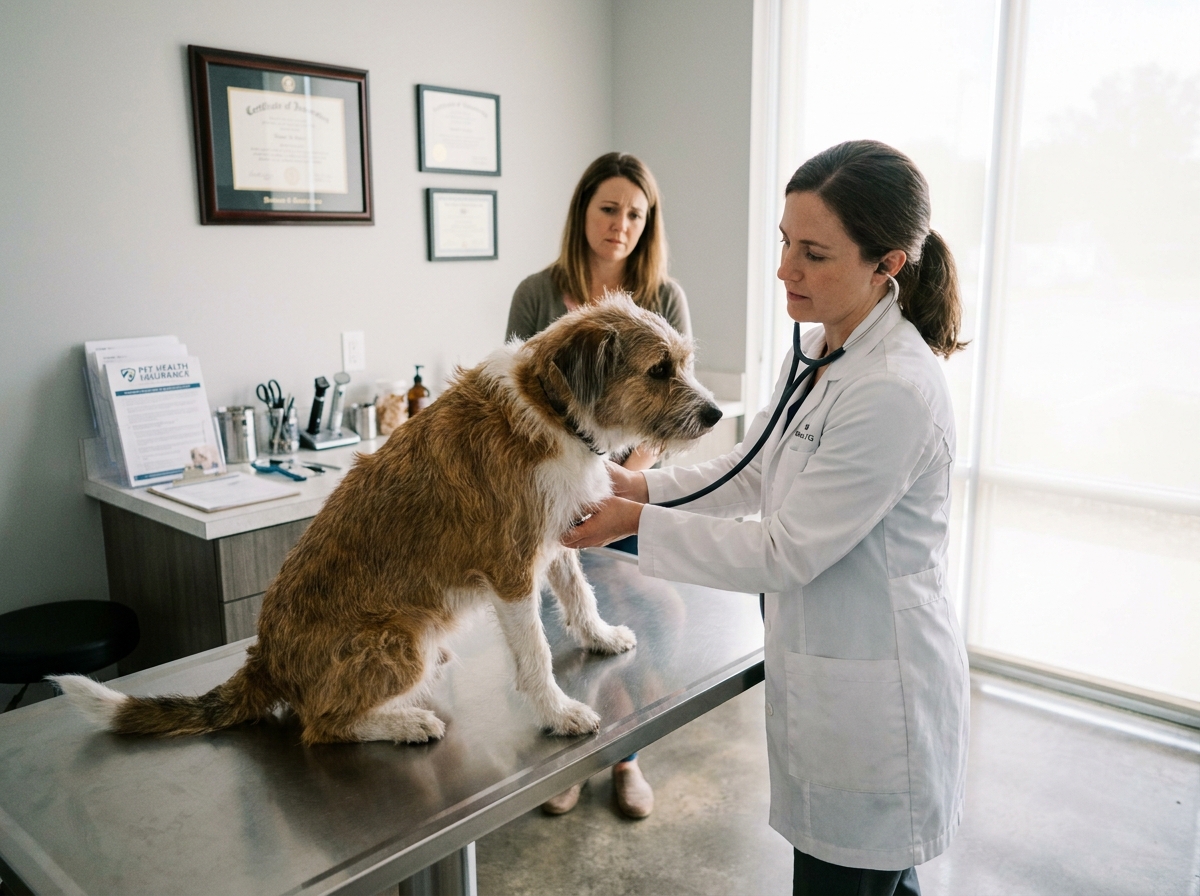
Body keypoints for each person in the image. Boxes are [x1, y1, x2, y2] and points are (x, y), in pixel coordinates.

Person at [563, 140, 971, 896]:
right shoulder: (818, 351)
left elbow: (783, 552)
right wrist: (637, 486)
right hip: (826, 674)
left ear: (885, 264)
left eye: (813, 254)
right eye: (785, 242)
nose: (785, 269)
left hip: (876, 699)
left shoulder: (893, 389)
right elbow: (751, 471)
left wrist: (630, 524)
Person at [506, 151, 693, 820]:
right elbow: (517, 398)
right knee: (557, 624)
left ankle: (625, 757)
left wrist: (618, 483)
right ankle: (568, 758)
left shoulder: (664, 298)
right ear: (582, 212)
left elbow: (671, 410)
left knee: (638, 623)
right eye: (609, 209)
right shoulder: (536, 294)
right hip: (546, 491)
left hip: (626, 492)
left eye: (636, 214)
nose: (621, 225)